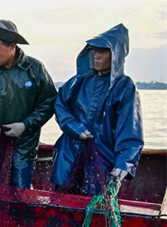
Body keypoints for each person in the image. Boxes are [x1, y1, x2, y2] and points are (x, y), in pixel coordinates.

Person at [50, 24, 144, 194]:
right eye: (94, 50)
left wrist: (124, 163)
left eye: (103, 51)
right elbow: (59, 104)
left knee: (96, 206)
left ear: (116, 55)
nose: (96, 56)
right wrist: (74, 128)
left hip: (102, 162)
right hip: (69, 155)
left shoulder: (125, 87)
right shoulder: (78, 81)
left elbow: (130, 131)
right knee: (63, 199)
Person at [0, 20, 57, 188]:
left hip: (24, 148)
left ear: (12, 47)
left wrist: (25, 125)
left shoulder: (35, 69)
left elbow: (49, 102)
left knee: (19, 192)